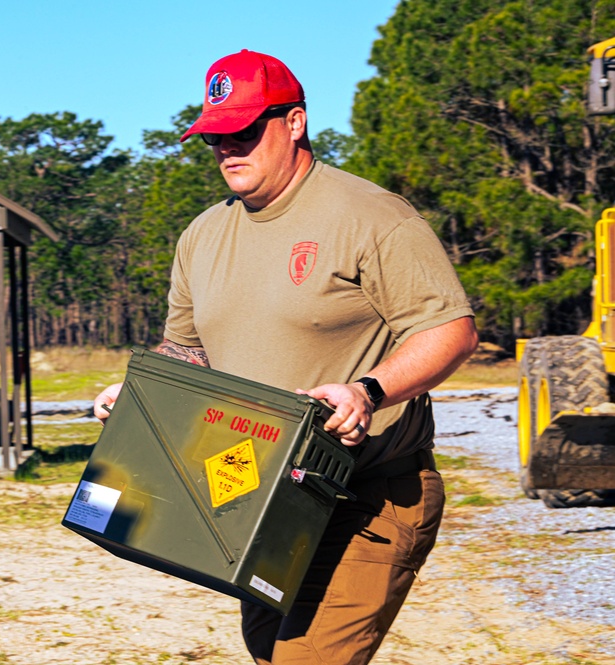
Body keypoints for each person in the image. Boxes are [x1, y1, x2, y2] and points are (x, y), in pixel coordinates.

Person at [93, 49, 478, 665]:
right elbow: (188, 352)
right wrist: (140, 396)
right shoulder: (202, 235)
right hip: (255, 496)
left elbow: (451, 330)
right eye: (215, 135)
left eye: (244, 130)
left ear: (294, 122)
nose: (228, 148)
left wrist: (367, 391)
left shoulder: (371, 217)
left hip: (368, 499)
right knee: (271, 656)